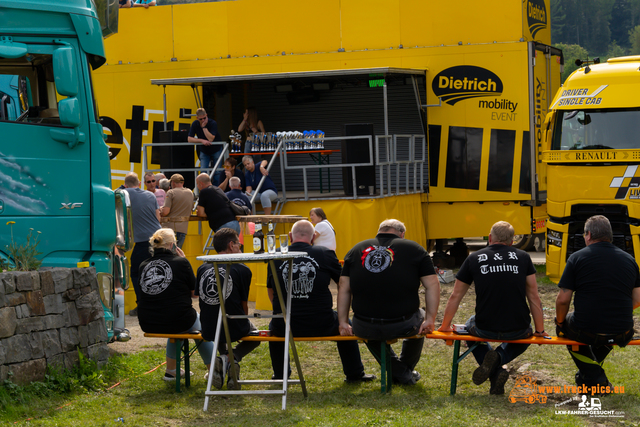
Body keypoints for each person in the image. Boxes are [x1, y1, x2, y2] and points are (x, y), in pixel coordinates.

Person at [438, 221, 547, 395]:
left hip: (484, 328)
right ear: (512, 241)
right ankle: (499, 360)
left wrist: (444, 326)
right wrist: (540, 331)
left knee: (468, 326)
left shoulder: (474, 258)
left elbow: (455, 296)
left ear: (489, 238)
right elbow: (533, 296)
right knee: (529, 332)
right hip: (518, 329)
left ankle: (494, 367)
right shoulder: (523, 257)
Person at [267, 220, 375, 383]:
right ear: (313, 238)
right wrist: (343, 318)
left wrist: (283, 311)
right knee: (347, 325)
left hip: (286, 325)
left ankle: (280, 375)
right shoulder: (324, 253)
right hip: (322, 322)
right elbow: (344, 283)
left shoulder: (275, 255)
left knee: (275, 325)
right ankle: (355, 373)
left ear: (290, 236)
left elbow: (271, 290)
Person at [338, 219, 440, 385]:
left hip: (363, 325)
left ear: (379, 231)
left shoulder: (356, 249)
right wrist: (430, 319)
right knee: (421, 317)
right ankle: (403, 373)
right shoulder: (415, 249)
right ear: (402, 234)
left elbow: (343, 287)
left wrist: (343, 322)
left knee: (370, 334)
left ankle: (399, 372)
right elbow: (432, 285)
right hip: (403, 324)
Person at [555, 215, 640, 392]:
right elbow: (638, 299)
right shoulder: (630, 260)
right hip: (623, 331)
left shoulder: (577, 258)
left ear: (588, 234)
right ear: (610, 235)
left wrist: (560, 323)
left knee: (564, 327)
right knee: (603, 329)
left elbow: (563, 300)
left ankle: (595, 376)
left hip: (587, 329)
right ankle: (587, 377)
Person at [137, 228, 214, 381]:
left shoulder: (143, 265)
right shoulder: (181, 262)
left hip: (148, 321)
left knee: (174, 324)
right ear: (172, 245)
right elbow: (195, 294)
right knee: (200, 328)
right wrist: (185, 261)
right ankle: (214, 370)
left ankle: (171, 370)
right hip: (179, 319)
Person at [196, 228, 260, 390]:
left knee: (218, 321)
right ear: (231, 245)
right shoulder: (242, 269)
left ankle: (223, 360)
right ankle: (232, 359)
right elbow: (244, 305)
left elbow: (202, 300)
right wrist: (243, 325)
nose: (240, 247)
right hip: (234, 325)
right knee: (256, 336)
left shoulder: (202, 268)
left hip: (208, 328)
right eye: (238, 244)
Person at [124, 172, 161, 316]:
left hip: (143, 241)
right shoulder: (151, 195)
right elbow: (158, 216)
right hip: (159, 237)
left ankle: (142, 305)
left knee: (136, 273)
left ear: (126, 185)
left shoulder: (123, 194)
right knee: (159, 270)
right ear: (140, 183)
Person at [161, 174, 193, 249]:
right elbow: (190, 212)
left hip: (170, 229)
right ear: (183, 183)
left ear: (173, 183)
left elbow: (165, 212)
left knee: (168, 254)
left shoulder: (171, 192)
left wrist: (161, 211)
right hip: (183, 230)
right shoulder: (190, 192)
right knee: (177, 253)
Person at [188, 108, 222, 173]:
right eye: (201, 119)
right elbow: (189, 139)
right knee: (203, 171)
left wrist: (204, 127)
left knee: (217, 172)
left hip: (216, 149)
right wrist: (201, 140)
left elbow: (211, 138)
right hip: (204, 150)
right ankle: (204, 183)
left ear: (206, 115)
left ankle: (215, 183)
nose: (203, 120)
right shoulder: (195, 124)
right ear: (197, 118)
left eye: (204, 118)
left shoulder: (212, 123)